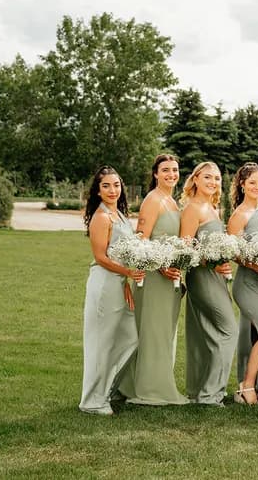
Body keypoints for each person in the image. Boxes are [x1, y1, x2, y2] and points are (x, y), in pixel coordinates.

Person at [119, 154, 188, 406]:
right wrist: (160, 268)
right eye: (166, 170)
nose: (171, 174)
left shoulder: (171, 201)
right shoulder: (152, 200)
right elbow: (141, 239)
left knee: (164, 332)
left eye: (175, 170)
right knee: (153, 331)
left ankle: (138, 383)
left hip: (171, 277)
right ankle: (150, 390)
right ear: (156, 174)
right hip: (153, 277)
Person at [79, 166, 143, 415]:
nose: (112, 190)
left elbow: (122, 253)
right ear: (97, 190)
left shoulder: (121, 216)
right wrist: (128, 274)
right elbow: (100, 257)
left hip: (118, 283)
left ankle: (108, 389)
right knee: (102, 343)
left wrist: (125, 281)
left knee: (130, 337)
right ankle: (92, 401)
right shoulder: (102, 217)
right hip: (104, 283)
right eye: (106, 186)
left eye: (116, 185)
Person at [180, 161, 236, 406]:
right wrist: (211, 261)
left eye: (216, 179)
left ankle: (203, 389)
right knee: (229, 330)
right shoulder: (193, 208)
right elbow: (185, 248)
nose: (213, 182)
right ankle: (210, 394)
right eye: (207, 178)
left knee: (212, 333)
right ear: (195, 180)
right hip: (201, 277)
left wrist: (222, 261)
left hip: (216, 276)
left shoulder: (213, 208)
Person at [227, 162, 258, 405]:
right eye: (252, 182)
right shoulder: (238, 215)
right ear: (242, 185)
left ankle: (256, 385)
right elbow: (233, 251)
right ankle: (247, 387)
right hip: (246, 284)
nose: (257, 187)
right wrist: (255, 266)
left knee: (252, 334)